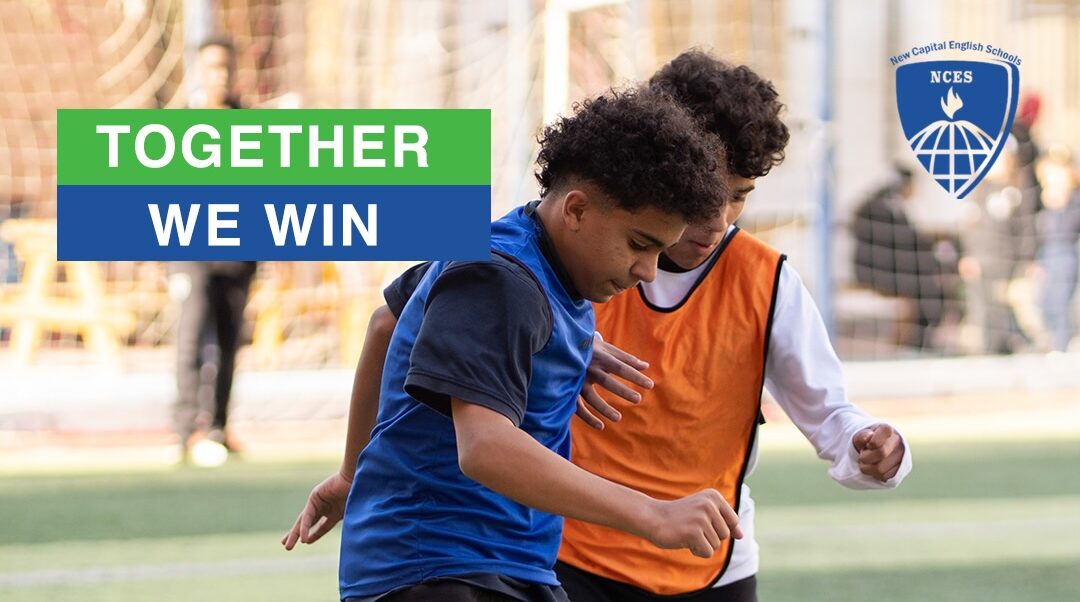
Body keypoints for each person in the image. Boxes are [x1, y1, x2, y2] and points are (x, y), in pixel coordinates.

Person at [285, 87, 742, 602]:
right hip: (438, 566)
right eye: (639, 244)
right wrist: (652, 513)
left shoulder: (515, 251)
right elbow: (484, 447)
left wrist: (352, 475)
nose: (648, 271)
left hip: (495, 563)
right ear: (576, 210)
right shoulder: (500, 279)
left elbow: (386, 326)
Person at [552, 51, 912, 601]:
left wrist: (874, 444)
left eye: (739, 195)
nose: (719, 219)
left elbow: (830, 412)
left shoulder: (768, 281)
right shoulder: (573, 251)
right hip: (569, 554)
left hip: (711, 562)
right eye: (704, 193)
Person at [173, 35, 257, 465]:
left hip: (238, 252)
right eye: (211, 67)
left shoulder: (251, 127)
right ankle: (186, 429)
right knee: (190, 335)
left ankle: (219, 427)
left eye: (225, 67)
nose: (219, 75)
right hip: (192, 250)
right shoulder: (179, 128)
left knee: (229, 339)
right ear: (199, 72)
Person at [853, 165, 948, 349]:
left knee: (927, 279)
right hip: (878, 273)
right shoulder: (879, 208)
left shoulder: (888, 206)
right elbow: (903, 241)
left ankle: (921, 338)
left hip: (890, 269)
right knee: (925, 284)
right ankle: (917, 341)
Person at [1034, 147, 1080, 352]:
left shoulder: (1074, 199)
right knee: (1045, 301)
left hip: (1068, 252)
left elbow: (1071, 228)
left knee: (1063, 300)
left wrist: (1062, 203)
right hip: (1048, 253)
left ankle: (1063, 344)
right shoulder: (1043, 201)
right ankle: (1056, 341)